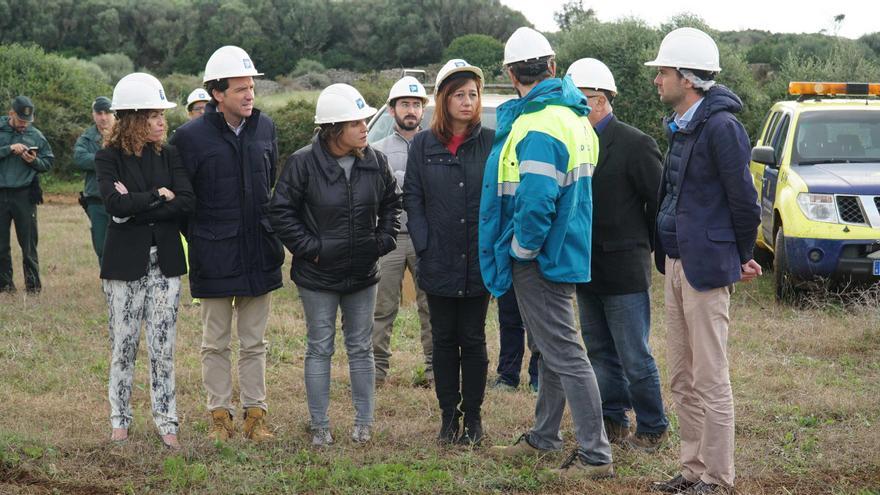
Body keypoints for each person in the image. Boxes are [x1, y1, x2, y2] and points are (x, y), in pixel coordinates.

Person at [480, 27, 613, 479]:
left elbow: (536, 203)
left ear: (510, 73)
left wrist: (521, 249)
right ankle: (544, 436)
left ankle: (596, 455)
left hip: (540, 259)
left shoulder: (535, 125)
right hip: (568, 251)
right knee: (555, 349)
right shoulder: (575, 119)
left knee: (566, 353)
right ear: (552, 67)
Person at [645, 28, 761, 494]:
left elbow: (745, 202)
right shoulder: (685, 125)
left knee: (710, 378)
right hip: (676, 262)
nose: (657, 79)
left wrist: (743, 255)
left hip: (706, 268)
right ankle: (692, 469)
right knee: (682, 375)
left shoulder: (721, 128)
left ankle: (717, 477)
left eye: (664, 72)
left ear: (687, 78)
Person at [269, 83, 401, 446]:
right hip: (317, 275)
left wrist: (383, 240)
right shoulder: (301, 163)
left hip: (363, 273)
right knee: (320, 348)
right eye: (356, 122)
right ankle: (319, 426)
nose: (364, 128)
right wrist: (311, 248)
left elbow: (392, 204)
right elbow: (281, 212)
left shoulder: (375, 160)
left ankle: (364, 423)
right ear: (332, 129)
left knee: (361, 347)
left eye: (363, 120)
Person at [170, 45, 284, 443]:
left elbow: (269, 185)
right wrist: (208, 238)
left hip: (259, 253)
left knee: (255, 342)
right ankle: (220, 416)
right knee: (214, 342)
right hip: (213, 254)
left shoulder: (266, 128)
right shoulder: (188, 137)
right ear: (217, 94)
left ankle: (256, 416)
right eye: (240, 89)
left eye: (252, 87)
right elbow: (185, 205)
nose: (249, 95)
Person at [566, 58, 669, 450]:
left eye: (582, 100)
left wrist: (641, 245)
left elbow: (659, 204)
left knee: (634, 355)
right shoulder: (574, 143)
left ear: (601, 99)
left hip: (624, 268)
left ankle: (653, 426)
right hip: (585, 267)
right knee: (598, 351)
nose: (575, 108)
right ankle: (613, 419)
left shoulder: (634, 143)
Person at [95, 73, 194, 449]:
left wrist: (140, 202)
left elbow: (186, 201)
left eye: (161, 115)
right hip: (124, 266)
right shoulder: (108, 158)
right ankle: (120, 418)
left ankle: (167, 421)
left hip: (165, 263)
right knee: (123, 345)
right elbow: (114, 205)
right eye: (154, 115)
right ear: (134, 119)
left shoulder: (169, 154)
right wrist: (157, 196)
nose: (161, 122)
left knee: (163, 346)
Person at [404, 59, 494, 446]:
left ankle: (472, 418)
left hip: (477, 260)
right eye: (459, 94)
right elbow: (413, 197)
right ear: (442, 100)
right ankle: (447, 417)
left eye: (473, 94)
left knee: (472, 339)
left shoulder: (491, 141)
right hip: (438, 259)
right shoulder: (423, 144)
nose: (467, 102)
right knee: (443, 340)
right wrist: (423, 244)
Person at [371, 76, 433, 388]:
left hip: (427, 241)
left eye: (416, 105)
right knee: (381, 309)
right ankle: (376, 374)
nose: (411, 110)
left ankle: (436, 373)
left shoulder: (433, 146)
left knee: (431, 308)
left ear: (423, 110)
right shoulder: (376, 151)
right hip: (390, 241)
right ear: (392, 109)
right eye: (404, 104)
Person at [0, 96, 53, 293]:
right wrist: (8, 149)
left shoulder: (36, 136)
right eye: (21, 120)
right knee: (1, 245)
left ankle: (33, 287)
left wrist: (33, 161)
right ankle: (5, 286)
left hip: (24, 195)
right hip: (0, 194)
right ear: (11, 113)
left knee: (29, 244)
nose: (24, 125)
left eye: (27, 121)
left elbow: (47, 162)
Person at [74, 96, 115, 266]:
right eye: (99, 113)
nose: (103, 117)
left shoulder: (123, 134)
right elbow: (79, 158)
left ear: (114, 114)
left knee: (125, 242)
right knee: (101, 245)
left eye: (107, 112)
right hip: (96, 200)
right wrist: (107, 160)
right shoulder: (87, 138)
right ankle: (108, 286)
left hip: (123, 199)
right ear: (93, 115)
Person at [492, 287, 539, 392]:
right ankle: (508, 376)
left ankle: (539, 378)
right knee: (509, 321)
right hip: (508, 274)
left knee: (539, 322)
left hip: (537, 274)